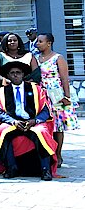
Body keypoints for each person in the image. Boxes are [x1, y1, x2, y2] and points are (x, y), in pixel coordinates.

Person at [0, 61, 57, 180]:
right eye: (12, 73)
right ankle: (11, 167)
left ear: (23, 74)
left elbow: (45, 110)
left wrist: (35, 120)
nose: (15, 75)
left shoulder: (36, 89)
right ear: (8, 76)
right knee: (3, 131)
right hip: (13, 122)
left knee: (41, 132)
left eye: (18, 72)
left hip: (32, 122)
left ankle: (45, 169)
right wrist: (13, 121)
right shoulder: (2, 91)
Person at [34, 32, 77, 167]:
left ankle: (58, 155)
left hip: (56, 94)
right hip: (41, 94)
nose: (37, 44)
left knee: (58, 125)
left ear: (49, 43)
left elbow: (64, 78)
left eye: (40, 41)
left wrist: (66, 96)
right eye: (37, 41)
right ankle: (47, 153)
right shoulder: (35, 58)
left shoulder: (58, 58)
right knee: (44, 123)